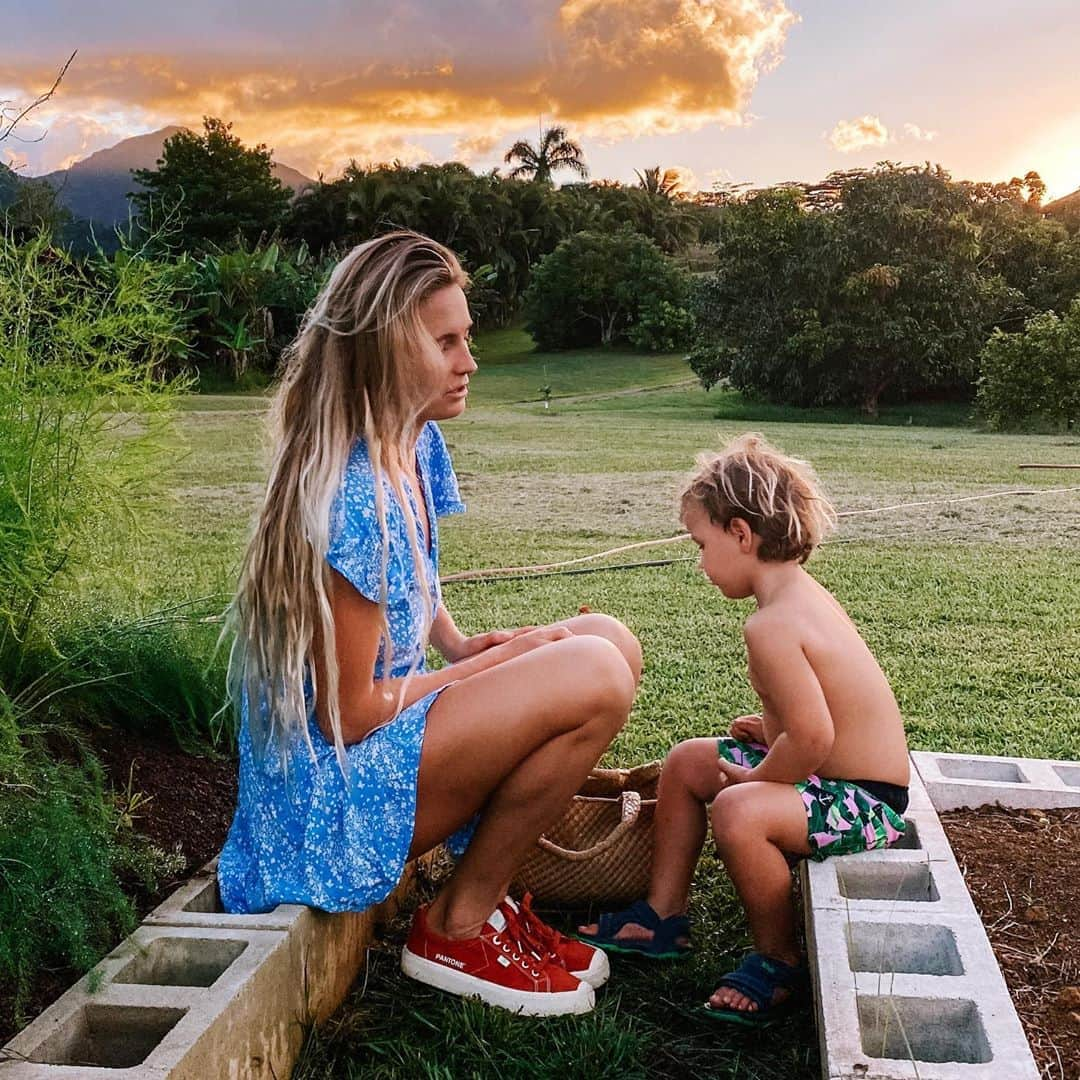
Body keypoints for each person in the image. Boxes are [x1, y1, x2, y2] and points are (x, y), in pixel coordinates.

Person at [218, 231, 642, 1017]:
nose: (469, 360)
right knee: (593, 672)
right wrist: (486, 669)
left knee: (610, 640)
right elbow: (347, 714)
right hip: (326, 809)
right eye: (445, 341)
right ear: (384, 349)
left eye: (467, 338)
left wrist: (457, 643)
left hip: (380, 750)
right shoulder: (349, 495)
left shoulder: (413, 445)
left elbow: (415, 578)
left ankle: (494, 900)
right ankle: (458, 924)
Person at [578, 434, 909, 1025]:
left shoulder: (774, 626)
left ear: (740, 533)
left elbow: (813, 742)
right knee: (687, 762)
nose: (700, 562)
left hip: (865, 801)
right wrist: (768, 728)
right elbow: (815, 716)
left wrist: (756, 778)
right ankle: (663, 915)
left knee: (739, 811)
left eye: (700, 544)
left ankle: (780, 961)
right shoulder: (797, 598)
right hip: (836, 777)